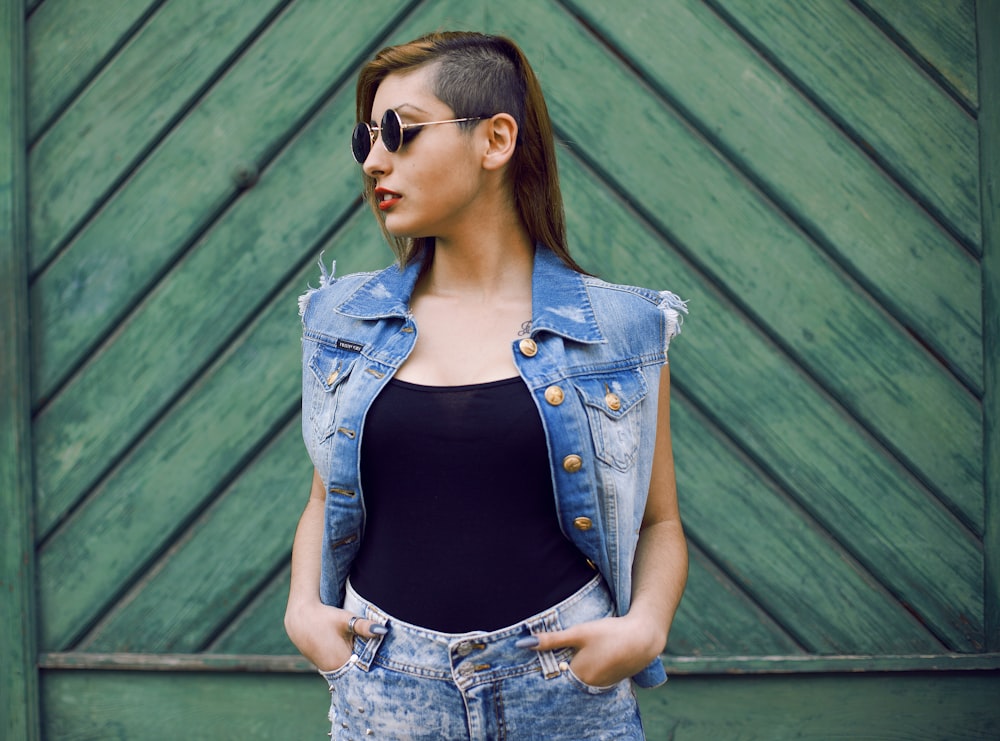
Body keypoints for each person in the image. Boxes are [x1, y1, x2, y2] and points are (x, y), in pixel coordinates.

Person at [285, 31, 688, 740]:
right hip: (386, 695)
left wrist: (645, 628)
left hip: (563, 692)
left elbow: (659, 520)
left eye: (399, 132)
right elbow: (325, 496)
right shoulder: (338, 319)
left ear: (496, 139)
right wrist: (302, 612)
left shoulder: (619, 328)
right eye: (366, 139)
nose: (375, 158)